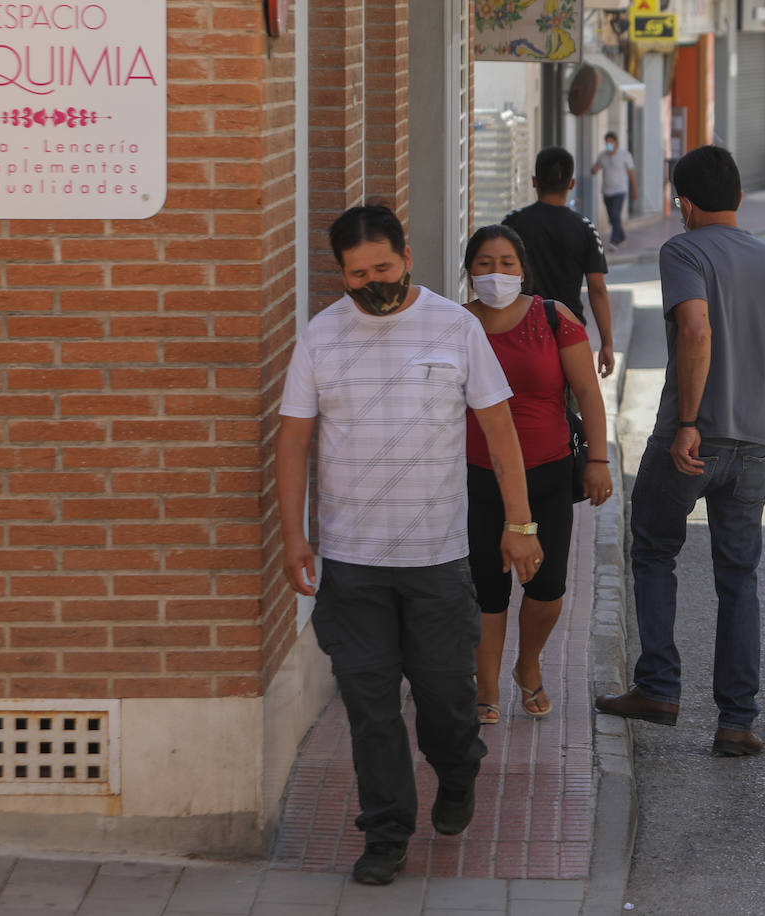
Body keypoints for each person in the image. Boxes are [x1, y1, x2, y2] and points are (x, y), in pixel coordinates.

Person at [275, 205, 542, 887]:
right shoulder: (321, 336)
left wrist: (520, 524)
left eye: (383, 268)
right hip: (353, 562)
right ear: (341, 274)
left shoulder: (454, 328)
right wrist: (294, 535)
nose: (373, 283)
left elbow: (498, 428)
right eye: (358, 274)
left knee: (446, 704)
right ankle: (386, 832)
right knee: (370, 709)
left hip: (436, 559)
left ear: (408, 256)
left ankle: (458, 772)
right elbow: (294, 439)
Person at [594, 146, 765, 758]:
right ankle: (736, 721)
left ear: (684, 203)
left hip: (691, 439)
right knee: (739, 580)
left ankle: (658, 687)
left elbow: (695, 329)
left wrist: (689, 421)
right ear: (738, 195)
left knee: (655, 550)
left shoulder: (682, 251)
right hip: (755, 446)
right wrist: (757, 431)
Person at [461, 225, 613, 724]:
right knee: (488, 589)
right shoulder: (457, 325)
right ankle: (486, 685)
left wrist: (596, 460)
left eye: (506, 263)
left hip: (547, 474)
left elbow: (587, 393)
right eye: (485, 263)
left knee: (546, 589)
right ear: (469, 271)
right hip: (478, 478)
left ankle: (527, 665)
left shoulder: (553, 318)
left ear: (522, 270)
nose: (496, 272)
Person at [504, 146, 616, 378]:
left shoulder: (512, 225)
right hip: (567, 331)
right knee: (568, 407)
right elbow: (597, 289)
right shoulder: (585, 229)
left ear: (535, 182)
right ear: (571, 184)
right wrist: (607, 344)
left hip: (520, 330)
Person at [590, 131, 637, 248]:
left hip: (620, 191)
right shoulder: (602, 156)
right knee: (612, 218)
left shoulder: (625, 155)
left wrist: (635, 190)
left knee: (615, 214)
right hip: (606, 191)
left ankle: (614, 241)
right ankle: (621, 236)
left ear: (616, 142)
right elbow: (595, 168)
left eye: (611, 142)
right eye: (607, 142)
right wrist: (594, 170)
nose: (608, 144)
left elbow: (631, 174)